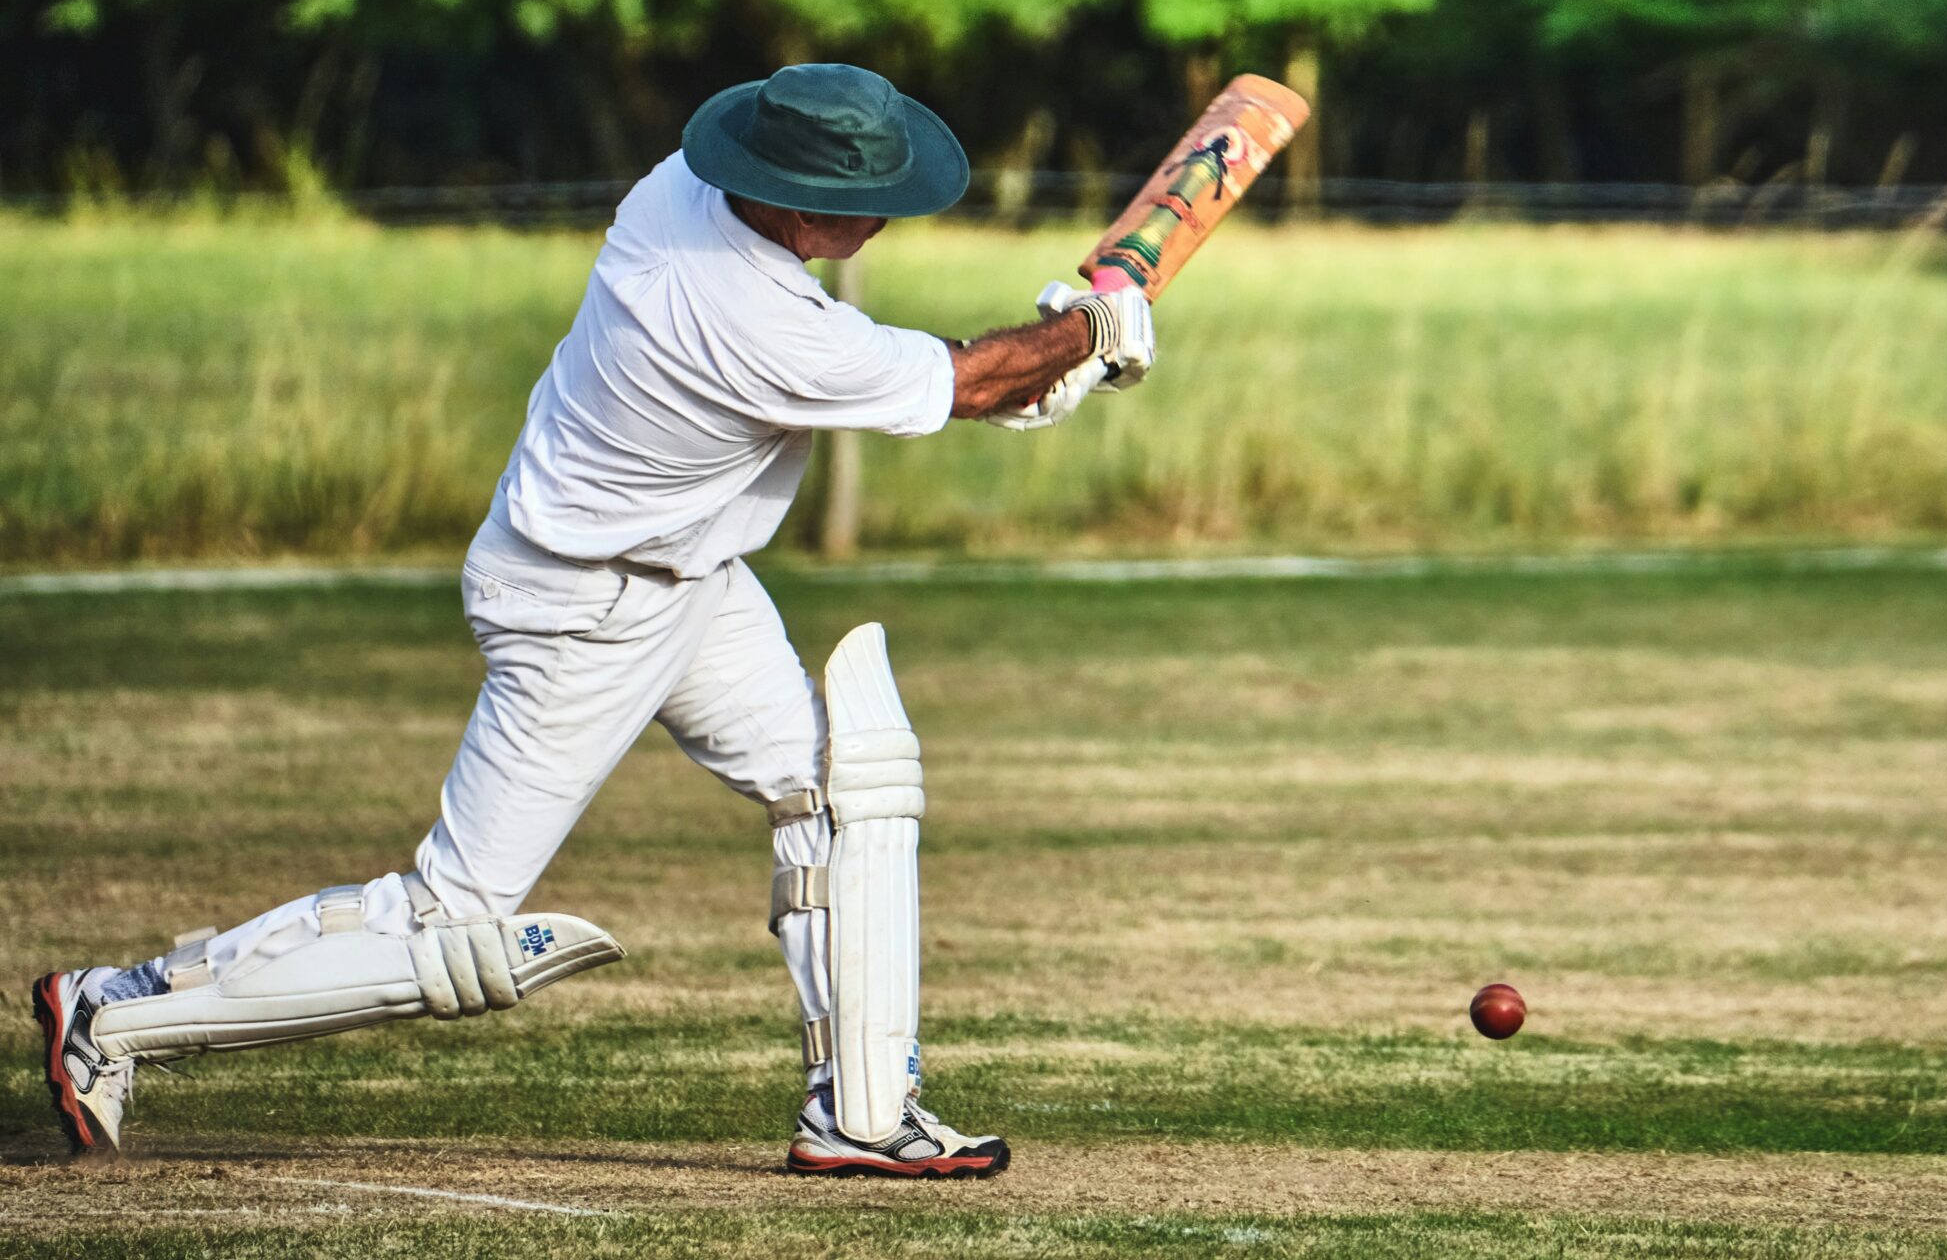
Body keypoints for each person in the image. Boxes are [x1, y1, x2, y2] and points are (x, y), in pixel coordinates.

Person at [32, 64, 1151, 1179]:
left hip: (685, 579)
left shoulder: (679, 188)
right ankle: (114, 1011)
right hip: (585, 609)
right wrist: (1083, 334)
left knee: (842, 789)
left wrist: (1059, 356)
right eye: (867, 198)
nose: (884, 215)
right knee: (449, 923)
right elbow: (952, 383)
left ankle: (862, 1112)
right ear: (801, 204)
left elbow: (957, 382)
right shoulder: (747, 318)